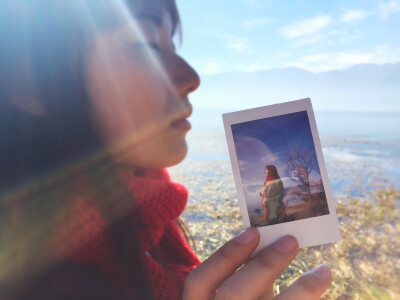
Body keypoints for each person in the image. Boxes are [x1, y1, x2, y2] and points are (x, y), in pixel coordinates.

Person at [0, 1, 332, 299]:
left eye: (171, 44)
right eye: (145, 44)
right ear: (31, 83)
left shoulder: (146, 217)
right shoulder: (33, 281)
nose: (191, 77)